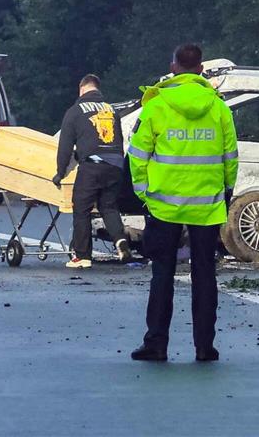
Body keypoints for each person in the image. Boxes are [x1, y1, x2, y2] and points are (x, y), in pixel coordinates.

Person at [128, 44, 238, 362]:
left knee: (162, 273)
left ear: (173, 66)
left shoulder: (157, 105)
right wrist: (226, 192)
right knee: (205, 275)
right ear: (201, 69)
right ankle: (205, 346)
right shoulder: (219, 108)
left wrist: (143, 193)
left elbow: (137, 156)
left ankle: (157, 344)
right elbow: (230, 157)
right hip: (207, 206)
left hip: (163, 205)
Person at [53, 74, 131, 268]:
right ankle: (120, 240)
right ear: (98, 89)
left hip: (92, 165)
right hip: (115, 165)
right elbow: (119, 140)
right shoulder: (111, 110)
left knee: (82, 208)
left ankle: (82, 256)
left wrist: (60, 173)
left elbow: (65, 146)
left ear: (82, 89)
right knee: (109, 207)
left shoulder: (75, 111)